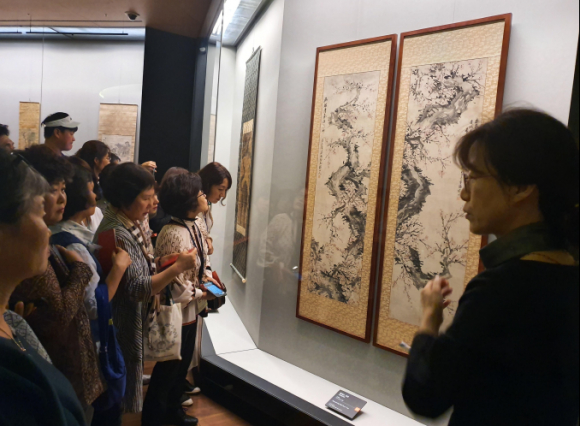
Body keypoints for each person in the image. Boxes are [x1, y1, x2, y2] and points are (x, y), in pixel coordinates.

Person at [402, 109, 580, 426]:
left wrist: (429, 318)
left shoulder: (500, 290)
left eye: (472, 178)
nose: (464, 193)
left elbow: (425, 394)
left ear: (521, 187)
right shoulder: (567, 274)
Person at [10, 146, 104, 423]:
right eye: (53, 190)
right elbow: (61, 315)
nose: (62, 197)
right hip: (61, 375)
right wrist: (80, 271)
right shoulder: (34, 257)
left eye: (64, 189)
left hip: (70, 372)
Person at [95, 163, 197, 415]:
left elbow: (138, 268)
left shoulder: (127, 223)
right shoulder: (117, 232)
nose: (154, 202)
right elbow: (137, 288)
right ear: (125, 199)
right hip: (122, 320)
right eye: (146, 197)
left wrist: (162, 262)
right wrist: (177, 268)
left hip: (127, 318)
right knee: (114, 396)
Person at [145, 173, 217, 426]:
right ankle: (155, 417)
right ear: (188, 200)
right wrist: (201, 293)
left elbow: (202, 261)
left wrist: (207, 279)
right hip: (177, 309)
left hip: (191, 307)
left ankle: (173, 412)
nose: (204, 196)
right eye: (200, 193)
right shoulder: (173, 232)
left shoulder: (194, 224)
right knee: (168, 368)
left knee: (181, 364)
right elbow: (173, 283)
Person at [197, 162, 232, 255]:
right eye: (220, 189)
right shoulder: (193, 208)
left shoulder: (206, 206)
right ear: (208, 184)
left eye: (225, 190)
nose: (223, 195)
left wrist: (208, 239)